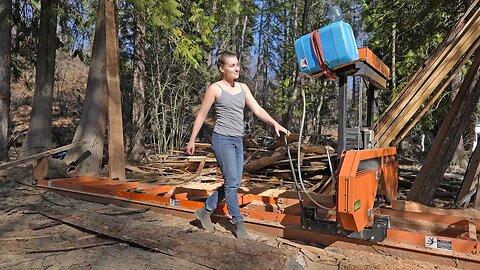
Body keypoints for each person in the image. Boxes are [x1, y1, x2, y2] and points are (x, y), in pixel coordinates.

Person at [186, 50, 290, 239]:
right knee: (232, 183)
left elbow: (257, 109)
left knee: (233, 182)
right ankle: (238, 223)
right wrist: (192, 139)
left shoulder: (243, 87)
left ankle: (205, 211)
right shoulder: (215, 88)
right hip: (221, 139)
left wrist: (275, 123)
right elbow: (201, 115)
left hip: (237, 140)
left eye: (237, 65)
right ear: (221, 68)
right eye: (232, 65)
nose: (237, 68)